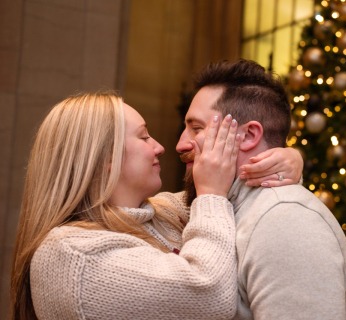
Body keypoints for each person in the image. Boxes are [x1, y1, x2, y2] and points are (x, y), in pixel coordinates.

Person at [11, 92, 242, 320]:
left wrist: (277, 160)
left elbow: (229, 194)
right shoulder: (73, 255)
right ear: (106, 156)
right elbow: (211, 296)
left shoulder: (161, 213)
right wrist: (211, 194)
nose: (160, 147)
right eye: (144, 137)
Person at [175, 60, 346, 319]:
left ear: (249, 136)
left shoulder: (285, 219)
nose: (180, 144)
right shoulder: (220, 206)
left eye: (196, 128)